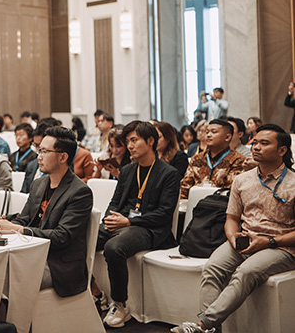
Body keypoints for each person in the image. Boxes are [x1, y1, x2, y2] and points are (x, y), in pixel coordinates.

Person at [171, 124, 295, 333]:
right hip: (244, 239)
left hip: (281, 246)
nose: (255, 147)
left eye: (264, 143)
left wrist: (270, 241)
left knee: (245, 272)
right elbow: (232, 218)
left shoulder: (292, 182)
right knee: (212, 268)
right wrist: (233, 237)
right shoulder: (242, 179)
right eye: (254, 142)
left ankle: (203, 325)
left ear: (282, 150)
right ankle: (212, 330)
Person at [0, 126, 93, 297]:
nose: (39, 156)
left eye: (44, 151)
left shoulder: (79, 191)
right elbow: (25, 219)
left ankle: (16, 324)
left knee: (7, 278)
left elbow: (61, 236)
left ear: (63, 157)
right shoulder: (39, 184)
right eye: (39, 150)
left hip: (59, 265)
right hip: (32, 254)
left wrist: (17, 229)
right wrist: (3, 225)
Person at [96, 121, 180, 328]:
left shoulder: (168, 173)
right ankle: (92, 291)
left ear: (150, 141)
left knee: (114, 247)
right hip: (123, 223)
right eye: (128, 141)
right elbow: (115, 202)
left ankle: (120, 304)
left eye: (134, 140)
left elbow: (164, 214)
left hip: (150, 229)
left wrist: (129, 221)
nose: (130, 146)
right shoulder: (127, 171)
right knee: (82, 237)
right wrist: (110, 218)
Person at [180, 119, 245, 199]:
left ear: (227, 137)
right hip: (194, 205)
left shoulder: (238, 160)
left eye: (213, 132)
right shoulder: (197, 158)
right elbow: (184, 188)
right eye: (207, 132)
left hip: (220, 207)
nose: (208, 135)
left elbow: (231, 192)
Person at [22, 118, 60, 193]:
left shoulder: (59, 167)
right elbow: (23, 193)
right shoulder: (31, 166)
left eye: (41, 147)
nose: (38, 149)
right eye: (36, 145)